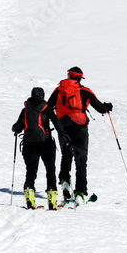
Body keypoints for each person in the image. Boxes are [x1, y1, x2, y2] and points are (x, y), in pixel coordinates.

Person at [47, 66, 113, 202]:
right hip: (80, 130)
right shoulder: (85, 91)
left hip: (63, 129)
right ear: (79, 78)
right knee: (81, 162)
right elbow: (101, 109)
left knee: (66, 156)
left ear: (69, 76)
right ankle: (80, 193)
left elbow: (47, 107)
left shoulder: (59, 90)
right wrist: (108, 107)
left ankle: (65, 182)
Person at [12, 87, 69, 210]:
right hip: (46, 144)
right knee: (50, 170)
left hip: (29, 144)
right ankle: (52, 202)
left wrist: (14, 129)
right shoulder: (46, 109)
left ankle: (30, 199)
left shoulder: (25, 110)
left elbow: (18, 127)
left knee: (31, 171)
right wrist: (63, 136)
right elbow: (57, 123)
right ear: (43, 96)